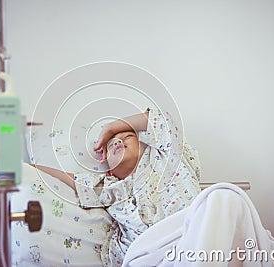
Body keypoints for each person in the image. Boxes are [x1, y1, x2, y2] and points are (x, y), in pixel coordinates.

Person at [31, 107, 201, 267]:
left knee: (221, 196)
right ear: (109, 170)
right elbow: (70, 180)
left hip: (191, 232)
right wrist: (28, 168)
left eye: (127, 137)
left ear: (146, 145)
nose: (117, 142)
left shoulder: (166, 158)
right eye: (110, 146)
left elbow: (163, 120)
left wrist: (111, 128)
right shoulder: (112, 188)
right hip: (150, 254)